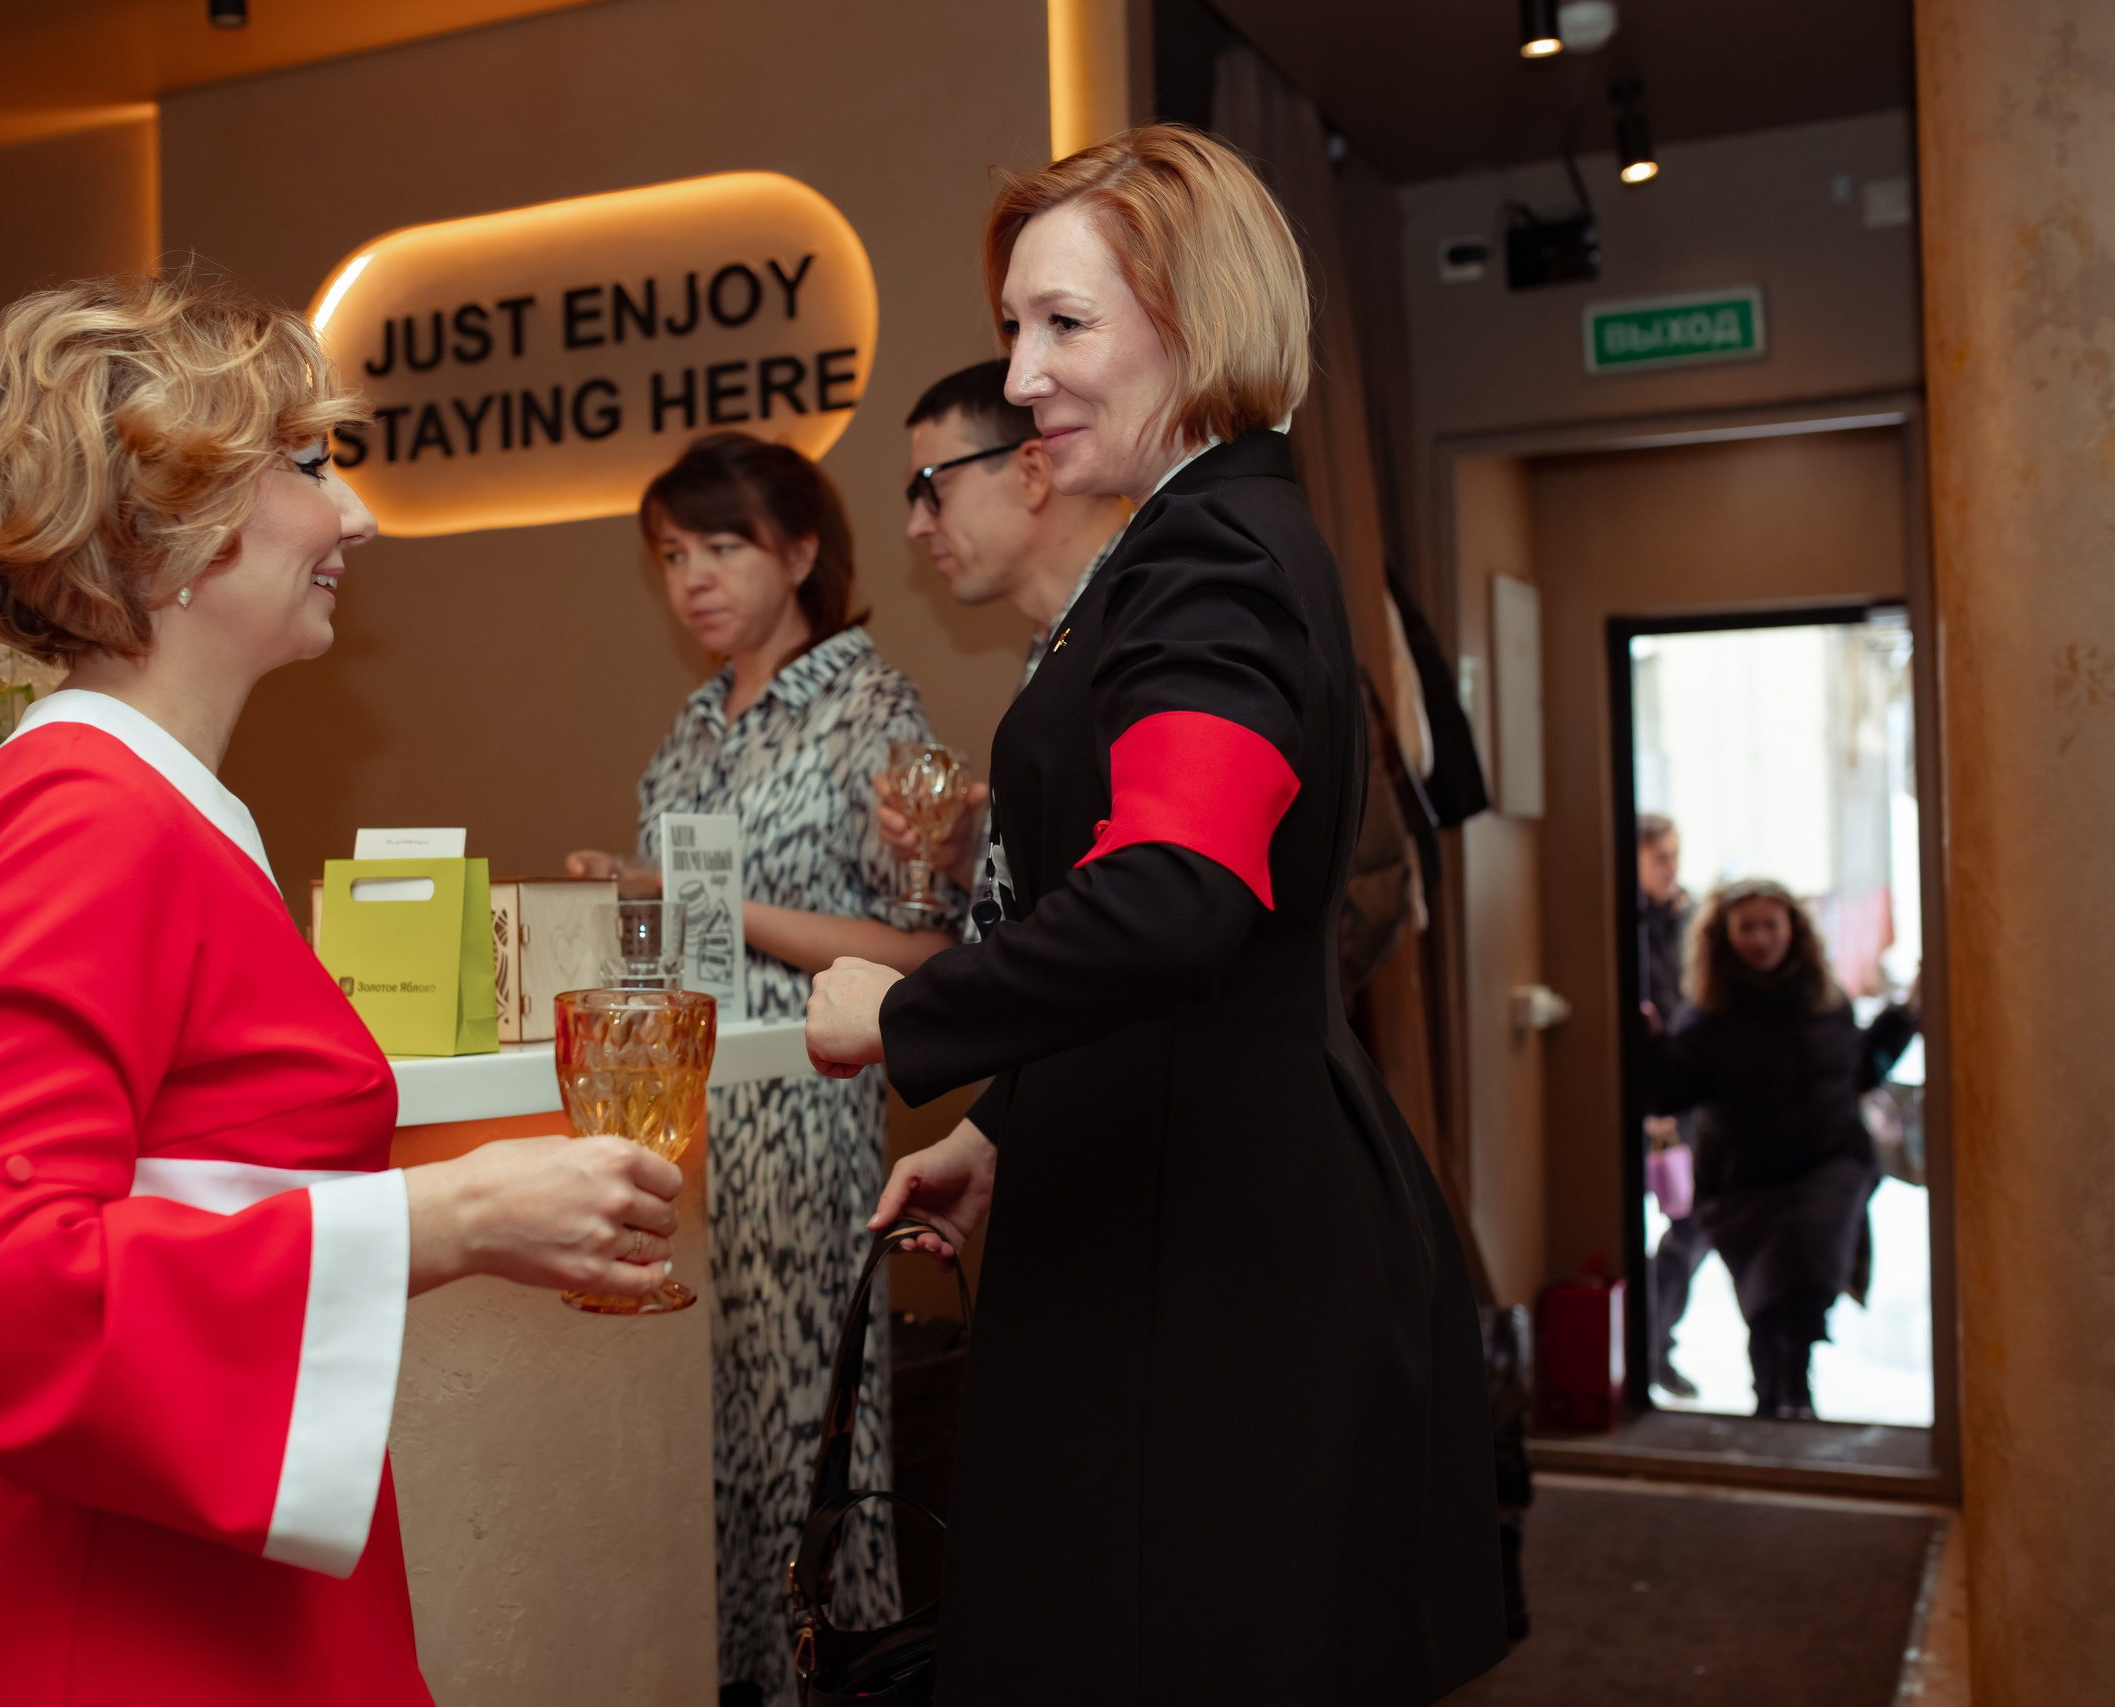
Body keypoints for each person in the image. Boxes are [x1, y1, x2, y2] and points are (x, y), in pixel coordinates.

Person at [0, 275, 685, 1706]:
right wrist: (457, 1213)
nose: (354, 516)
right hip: (109, 1631)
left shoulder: (154, 807)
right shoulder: (83, 815)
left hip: (193, 1590)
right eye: (305, 466)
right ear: (156, 530)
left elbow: (191, 1173)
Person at [802, 125, 1507, 1701]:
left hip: (1216, 1264)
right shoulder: (1196, 548)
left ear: (1195, 324)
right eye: (1014, 328)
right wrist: (1010, 1125)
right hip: (1175, 1204)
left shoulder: (1211, 564)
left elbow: (1174, 897)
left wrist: (905, 1015)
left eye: (1065, 325)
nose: (1027, 375)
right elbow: (1189, 935)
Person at [564, 430, 961, 1707]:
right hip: (690, 1126)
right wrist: (622, 914)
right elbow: (675, 923)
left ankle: (834, 1684)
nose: (693, 578)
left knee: (809, 1445)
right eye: (673, 554)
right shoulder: (692, 724)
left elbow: (923, 943)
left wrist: (696, 897)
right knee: (707, 1449)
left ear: (799, 552)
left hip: (805, 1113)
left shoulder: (867, 704)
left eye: (722, 546)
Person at [1643, 879, 1919, 1421]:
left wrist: (1905, 1016)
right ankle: (1777, 1405)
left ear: (1794, 929)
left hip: (1828, 1170)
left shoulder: (1824, 999)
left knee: (1804, 1280)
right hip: (1749, 1186)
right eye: (1748, 927)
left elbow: (1859, 1068)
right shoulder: (1708, 1018)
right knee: (1768, 1307)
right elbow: (1669, 1090)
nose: (1762, 938)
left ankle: (1792, 1399)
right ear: (1726, 936)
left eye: (1772, 924)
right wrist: (1648, 1048)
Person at [873, 360, 1129, 901]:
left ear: (1032, 473)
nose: (917, 526)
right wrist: (970, 855)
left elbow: (1142, 904)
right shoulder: (1067, 634)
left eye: (932, 486)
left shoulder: (1137, 624)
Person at [1634, 812, 1708, 1399]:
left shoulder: (1688, 919)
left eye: (1676, 855)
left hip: (1679, 1092)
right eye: (1661, 857)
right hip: (1639, 1094)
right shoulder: (1623, 922)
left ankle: (1655, 1343)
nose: (1673, 868)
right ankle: (1644, 1346)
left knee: (1689, 1220)